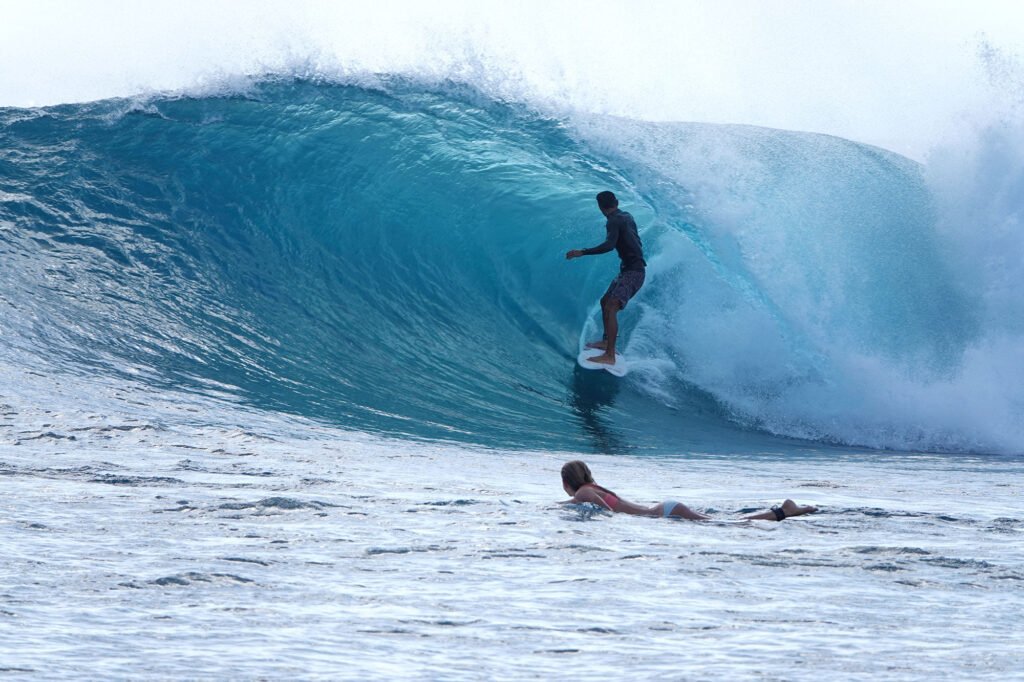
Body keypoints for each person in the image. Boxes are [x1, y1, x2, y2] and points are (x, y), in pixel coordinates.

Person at [560, 460, 818, 521]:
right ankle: (789, 511)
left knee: (728, 525)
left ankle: (784, 511)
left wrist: (560, 506)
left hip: (665, 513)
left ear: (566, 483)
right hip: (665, 508)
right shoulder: (594, 486)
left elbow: (605, 510)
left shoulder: (582, 492)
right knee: (721, 523)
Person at [565, 191, 646, 366]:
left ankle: (610, 355)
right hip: (630, 270)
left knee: (611, 307)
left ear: (600, 207)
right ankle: (606, 342)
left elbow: (609, 246)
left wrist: (582, 252)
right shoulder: (626, 215)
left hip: (634, 272)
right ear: (616, 202)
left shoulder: (613, 221)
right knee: (605, 302)